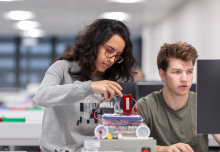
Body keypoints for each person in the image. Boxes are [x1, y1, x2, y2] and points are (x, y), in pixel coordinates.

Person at [34, 19, 136, 152]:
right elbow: (41, 97)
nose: (111, 59)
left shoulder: (109, 81)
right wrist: (90, 87)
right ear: (94, 45)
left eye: (117, 56)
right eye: (109, 51)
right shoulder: (62, 68)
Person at [137, 42, 220, 152]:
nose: (185, 79)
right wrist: (164, 149)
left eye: (189, 72)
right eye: (177, 72)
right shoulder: (145, 106)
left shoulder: (204, 104)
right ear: (162, 74)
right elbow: (130, 145)